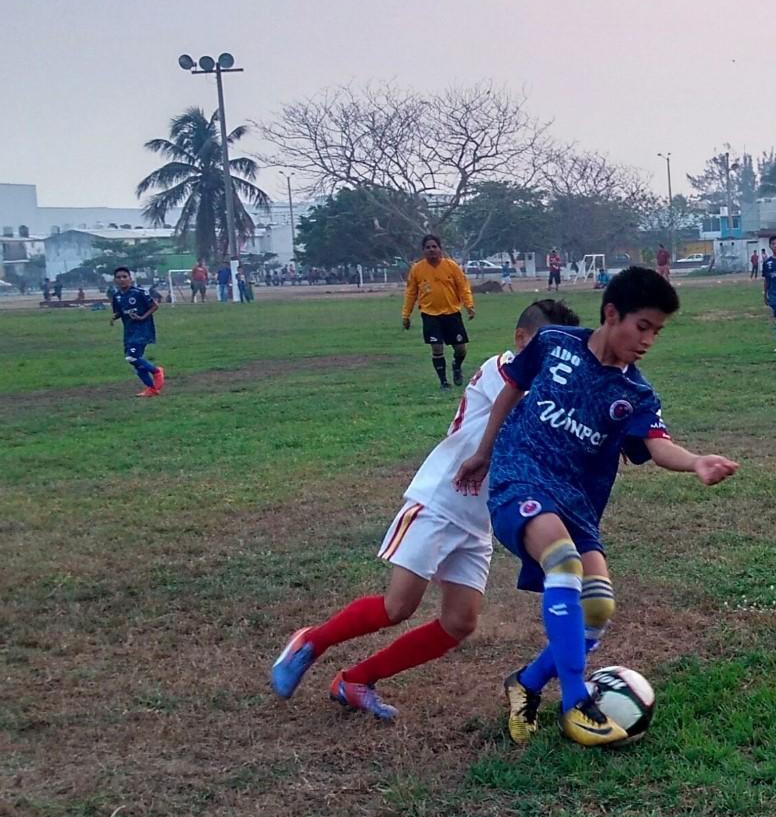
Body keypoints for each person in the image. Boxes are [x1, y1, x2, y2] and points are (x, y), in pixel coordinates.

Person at [452, 268, 739, 745]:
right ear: (611, 314)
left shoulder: (636, 394)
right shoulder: (553, 344)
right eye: (642, 327)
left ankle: (525, 683)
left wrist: (695, 462)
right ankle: (575, 704)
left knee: (598, 607)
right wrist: (484, 451)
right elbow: (511, 390)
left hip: (576, 502)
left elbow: (657, 445)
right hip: (520, 477)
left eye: (657, 331)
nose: (648, 341)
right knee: (563, 563)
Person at [272, 299, 582, 720]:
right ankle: (310, 642)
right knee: (397, 607)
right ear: (521, 339)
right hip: (441, 501)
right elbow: (530, 416)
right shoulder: (502, 369)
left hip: (478, 521)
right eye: (545, 349)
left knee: (460, 623)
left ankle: (355, 680)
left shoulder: (548, 390)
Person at [401, 234, 476, 390]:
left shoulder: (451, 266)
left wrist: (469, 306)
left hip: (452, 313)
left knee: (460, 349)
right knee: (436, 348)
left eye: (434, 247)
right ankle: (443, 382)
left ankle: (457, 366)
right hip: (430, 315)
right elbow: (411, 293)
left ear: (440, 249)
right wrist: (406, 315)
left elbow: (463, 287)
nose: (431, 250)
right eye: (428, 247)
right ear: (423, 250)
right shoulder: (417, 269)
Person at [109, 266, 166, 397]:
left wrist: (142, 317)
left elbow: (155, 306)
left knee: (132, 357)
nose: (122, 279)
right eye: (119, 277)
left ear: (130, 278)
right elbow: (121, 312)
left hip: (143, 330)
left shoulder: (139, 293)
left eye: (124, 277)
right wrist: (114, 317)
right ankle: (152, 389)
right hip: (129, 331)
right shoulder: (117, 296)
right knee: (135, 362)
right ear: (115, 280)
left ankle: (156, 371)